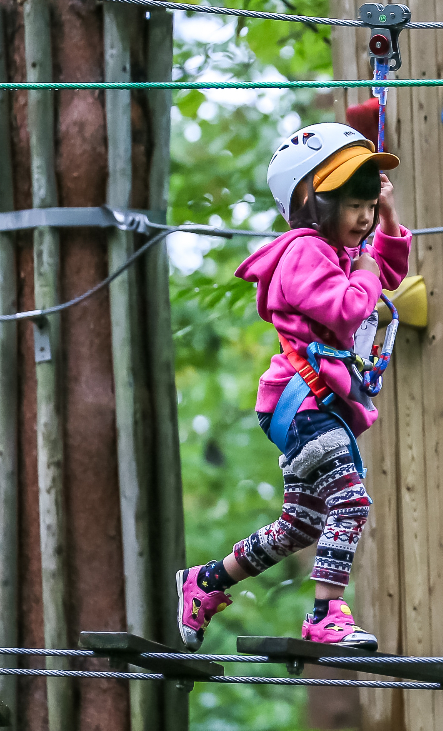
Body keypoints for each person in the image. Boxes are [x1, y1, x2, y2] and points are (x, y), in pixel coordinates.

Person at [175, 123, 411, 651]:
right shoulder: (305, 252)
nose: (365, 217)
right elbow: (351, 309)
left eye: (370, 205)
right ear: (308, 200)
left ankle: (207, 583)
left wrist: (388, 222)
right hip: (304, 403)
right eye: (354, 204)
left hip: (314, 405)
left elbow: (388, 273)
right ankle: (327, 614)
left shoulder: (339, 251)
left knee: (301, 525)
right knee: (349, 502)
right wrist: (369, 265)